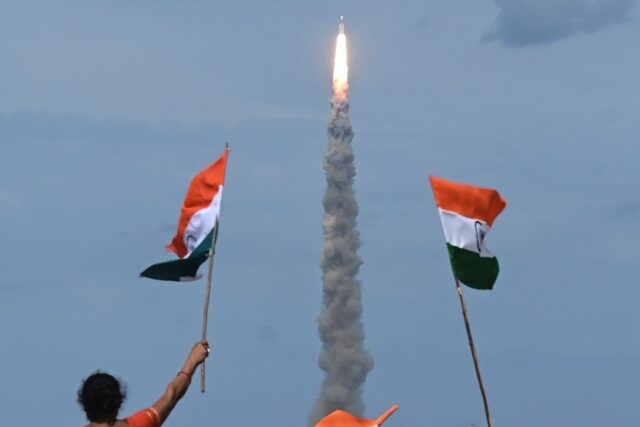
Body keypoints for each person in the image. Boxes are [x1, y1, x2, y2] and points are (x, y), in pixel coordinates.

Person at [78, 340, 210, 427]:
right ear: (119, 401)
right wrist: (193, 360)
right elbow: (172, 395)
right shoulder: (140, 424)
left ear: (84, 405)